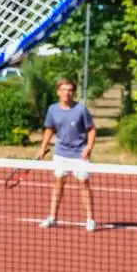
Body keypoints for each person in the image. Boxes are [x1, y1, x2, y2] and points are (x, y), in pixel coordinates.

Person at [36, 77, 97, 232]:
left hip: (79, 154)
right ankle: (52, 217)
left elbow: (91, 129)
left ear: (73, 92)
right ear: (58, 92)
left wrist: (89, 147)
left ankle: (90, 219)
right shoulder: (52, 109)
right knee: (58, 184)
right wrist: (42, 148)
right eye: (64, 90)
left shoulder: (81, 109)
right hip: (61, 153)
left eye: (70, 90)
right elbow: (49, 129)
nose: (67, 93)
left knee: (84, 184)